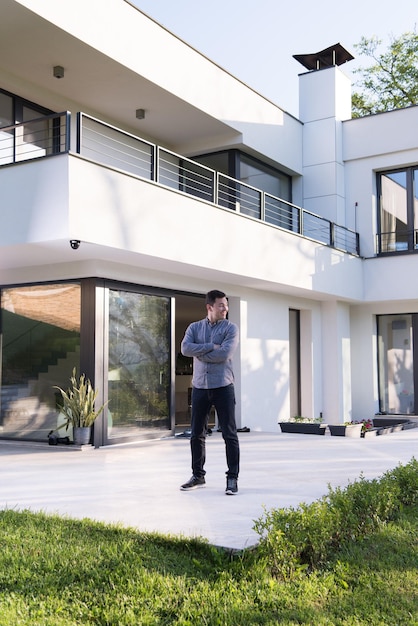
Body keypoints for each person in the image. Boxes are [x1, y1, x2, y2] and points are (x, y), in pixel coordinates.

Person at [180, 289, 240, 495]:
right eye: (221, 305)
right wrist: (210, 346)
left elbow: (224, 354)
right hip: (199, 387)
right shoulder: (194, 327)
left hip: (223, 386)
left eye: (226, 305)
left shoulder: (231, 328)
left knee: (229, 434)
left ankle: (232, 478)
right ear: (210, 307)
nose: (225, 309)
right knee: (197, 434)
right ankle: (198, 476)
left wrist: (200, 352)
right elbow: (185, 349)